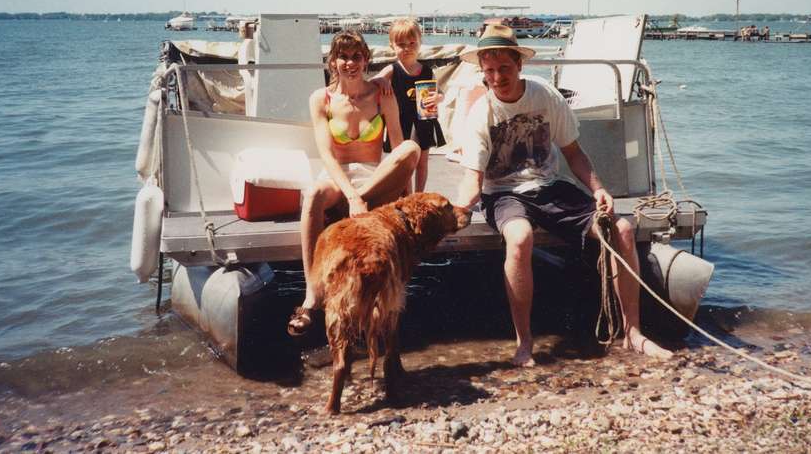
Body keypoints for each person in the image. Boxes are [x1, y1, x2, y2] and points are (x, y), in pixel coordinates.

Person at [453, 24, 673, 366]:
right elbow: (473, 178)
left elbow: (574, 152)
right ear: (482, 71)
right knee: (520, 236)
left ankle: (633, 333)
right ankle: (524, 343)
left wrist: (599, 189)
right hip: (503, 193)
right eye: (490, 71)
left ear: (519, 65)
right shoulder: (481, 113)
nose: (497, 77)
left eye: (504, 68)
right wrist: (457, 209)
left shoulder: (543, 96)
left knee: (624, 229)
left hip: (549, 186)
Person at [287, 30, 421, 336]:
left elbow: (399, 146)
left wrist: (406, 199)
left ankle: (362, 196)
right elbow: (326, 155)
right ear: (332, 62)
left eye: (356, 56)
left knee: (411, 149)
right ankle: (312, 295)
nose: (350, 63)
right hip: (339, 178)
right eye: (343, 57)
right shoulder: (321, 99)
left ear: (366, 60)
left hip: (373, 176)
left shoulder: (382, 93)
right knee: (312, 195)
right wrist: (352, 197)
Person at [375, 18, 445, 192]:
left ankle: (419, 194)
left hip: (424, 121)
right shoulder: (393, 70)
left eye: (412, 43)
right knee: (404, 163)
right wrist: (382, 81)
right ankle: (406, 195)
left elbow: (441, 92)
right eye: (401, 44)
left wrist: (437, 98)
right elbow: (373, 81)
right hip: (400, 123)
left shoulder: (427, 71)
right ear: (392, 46)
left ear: (420, 42)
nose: (407, 48)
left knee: (422, 161)